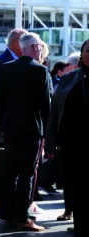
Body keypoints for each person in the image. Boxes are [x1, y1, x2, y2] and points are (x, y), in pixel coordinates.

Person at [0, 32, 51, 232]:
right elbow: (46, 106)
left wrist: (0, 127)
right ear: (35, 48)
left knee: (9, 172)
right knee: (27, 174)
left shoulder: (7, 69)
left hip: (9, 128)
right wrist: (47, 133)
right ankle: (23, 217)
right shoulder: (41, 72)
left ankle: (7, 214)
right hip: (31, 130)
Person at [55, 39, 88, 236]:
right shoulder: (72, 79)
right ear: (82, 54)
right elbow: (58, 111)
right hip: (76, 143)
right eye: (88, 50)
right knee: (79, 185)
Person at [0, 28, 27, 125]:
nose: (27, 43)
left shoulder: (25, 60)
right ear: (16, 41)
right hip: (8, 120)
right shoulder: (1, 61)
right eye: (25, 40)